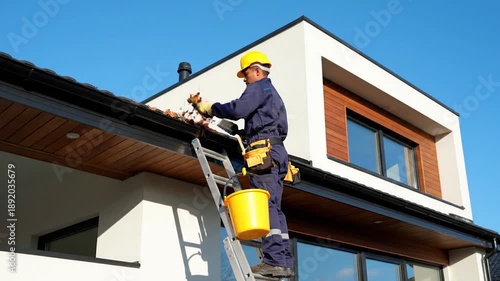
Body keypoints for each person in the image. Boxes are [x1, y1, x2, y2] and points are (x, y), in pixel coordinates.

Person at [193, 50, 294, 277]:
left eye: (245, 74)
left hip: (264, 154)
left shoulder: (258, 87)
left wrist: (211, 108)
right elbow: (264, 123)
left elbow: (238, 109)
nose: (244, 79)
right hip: (276, 152)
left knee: (265, 205)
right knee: (275, 207)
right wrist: (241, 131)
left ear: (257, 71)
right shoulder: (272, 93)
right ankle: (283, 261)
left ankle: (274, 260)